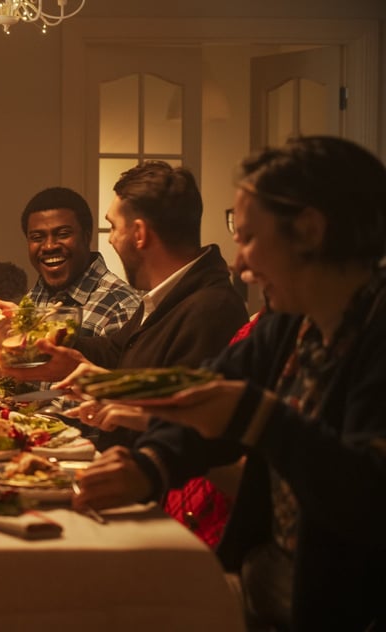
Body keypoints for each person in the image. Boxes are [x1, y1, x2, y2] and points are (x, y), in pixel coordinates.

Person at [73, 136, 386, 630]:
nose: (239, 266)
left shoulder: (375, 331)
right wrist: (149, 465)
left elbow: (369, 497)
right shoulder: (288, 324)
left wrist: (258, 418)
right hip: (264, 586)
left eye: (248, 238)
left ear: (308, 231)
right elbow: (209, 390)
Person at [0, 161, 249, 450]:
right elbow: (116, 351)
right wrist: (51, 343)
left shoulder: (210, 310)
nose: (111, 239)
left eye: (113, 227)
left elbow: (186, 430)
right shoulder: (166, 296)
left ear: (139, 233)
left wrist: (103, 387)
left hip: (146, 481)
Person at [20, 186, 141, 337]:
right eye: (37, 238)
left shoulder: (121, 307)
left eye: (63, 234)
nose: (49, 246)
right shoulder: (33, 298)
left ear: (86, 236)